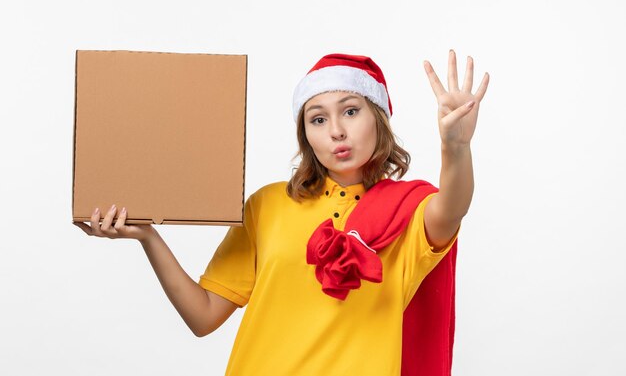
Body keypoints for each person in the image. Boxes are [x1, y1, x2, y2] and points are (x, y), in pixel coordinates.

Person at [74, 50, 490, 376]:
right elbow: (202, 317)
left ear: (377, 118)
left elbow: (453, 207)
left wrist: (456, 147)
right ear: (306, 135)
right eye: (318, 118)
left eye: (350, 110)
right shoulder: (267, 205)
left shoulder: (410, 210)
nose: (336, 131)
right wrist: (149, 236)